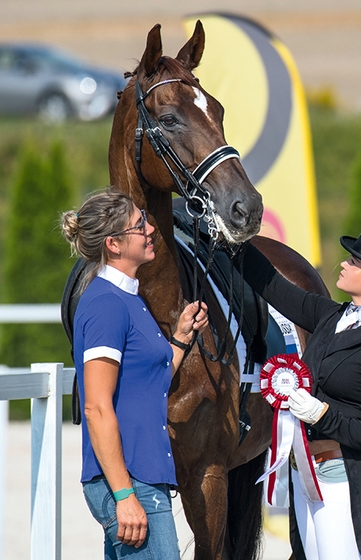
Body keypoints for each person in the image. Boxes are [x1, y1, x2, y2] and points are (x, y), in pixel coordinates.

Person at [239, 218, 361, 560]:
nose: (344, 262)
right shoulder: (331, 317)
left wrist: (321, 415)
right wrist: (232, 237)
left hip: (342, 480)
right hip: (303, 474)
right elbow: (269, 284)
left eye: (354, 262)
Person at [61, 188, 208, 560]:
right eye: (138, 225)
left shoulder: (129, 298)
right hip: (128, 482)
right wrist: (124, 495)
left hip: (141, 476)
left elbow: (150, 386)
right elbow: (95, 406)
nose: (151, 229)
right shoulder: (107, 304)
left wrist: (180, 339)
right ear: (113, 243)